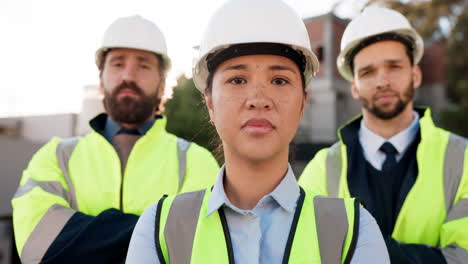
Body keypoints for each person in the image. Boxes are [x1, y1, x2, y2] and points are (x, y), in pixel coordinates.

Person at [125, 1, 390, 263]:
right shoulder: (159, 228)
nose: (259, 99)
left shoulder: (353, 232)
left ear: (302, 103)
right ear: (209, 103)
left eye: (279, 80)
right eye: (237, 80)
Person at [11, 15, 219, 264]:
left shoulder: (196, 162)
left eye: (143, 66)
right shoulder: (55, 157)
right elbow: (38, 244)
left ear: (162, 85)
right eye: (118, 64)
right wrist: (156, 237)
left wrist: (80, 242)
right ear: (101, 79)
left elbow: (200, 249)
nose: (128, 76)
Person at [299, 6, 468, 263]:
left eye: (394, 66)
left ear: (416, 74)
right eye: (368, 72)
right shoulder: (323, 168)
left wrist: (356, 250)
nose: (382, 81)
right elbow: (302, 254)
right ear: (354, 87)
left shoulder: (463, 160)